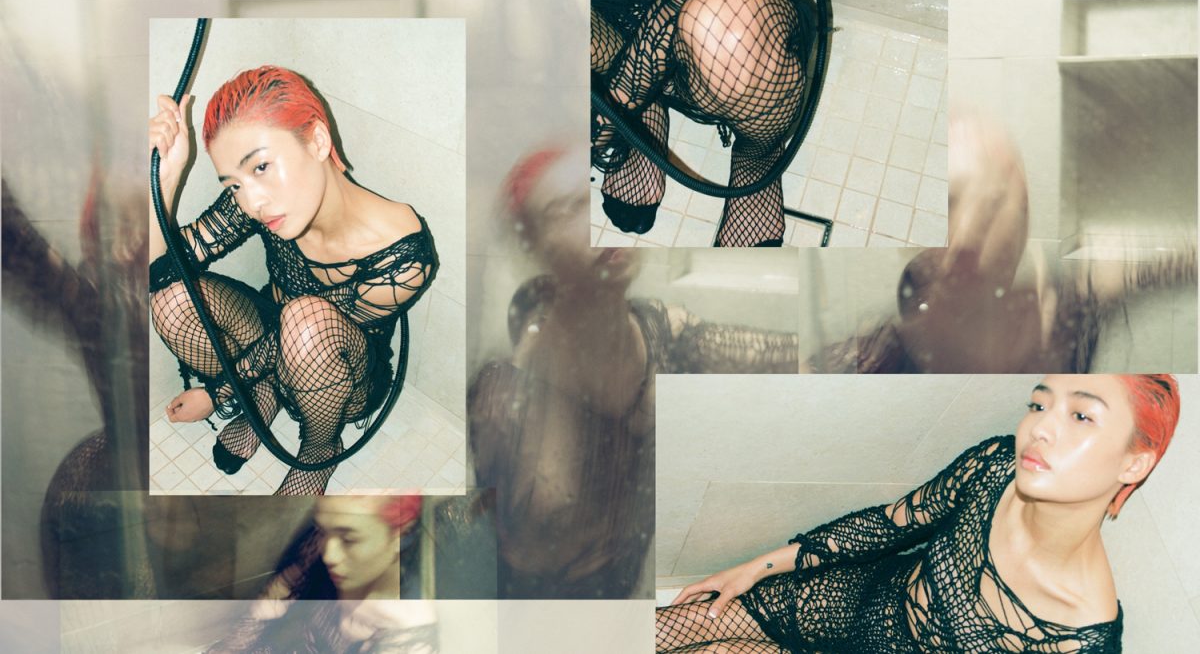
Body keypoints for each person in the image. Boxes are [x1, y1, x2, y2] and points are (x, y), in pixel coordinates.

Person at [469, 144, 802, 598]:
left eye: (590, 194)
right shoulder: (503, 395)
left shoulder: (663, 330)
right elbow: (507, 534)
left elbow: (795, 357)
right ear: (536, 245)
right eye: (565, 209)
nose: (594, 225)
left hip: (621, 585)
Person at [656, 374, 1178, 653]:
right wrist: (756, 567)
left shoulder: (1080, 642)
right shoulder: (997, 465)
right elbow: (889, 525)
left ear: (1134, 462)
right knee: (657, 631)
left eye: (1081, 415)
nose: (1039, 428)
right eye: (1039, 404)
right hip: (850, 602)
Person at [148, 66, 438, 495]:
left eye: (261, 166)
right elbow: (158, 273)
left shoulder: (405, 255)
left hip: (342, 375)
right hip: (272, 335)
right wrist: (165, 181)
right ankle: (261, 396)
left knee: (306, 324)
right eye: (234, 185)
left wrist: (217, 392)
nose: (253, 200)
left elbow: (308, 332)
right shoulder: (257, 201)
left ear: (317, 141)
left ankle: (320, 450)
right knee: (172, 301)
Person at [812, 111, 1196, 373]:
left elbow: (1171, 259)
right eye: (950, 204)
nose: (965, 235)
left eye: (993, 202)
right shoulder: (876, 354)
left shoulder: (1067, 305)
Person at [592, 0, 819, 246]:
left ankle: (756, 159)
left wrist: (613, 109)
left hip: (731, 22)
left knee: (725, 18)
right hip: (615, 15)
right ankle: (644, 111)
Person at [206, 495, 437, 653]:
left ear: (399, 535)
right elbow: (274, 597)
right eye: (322, 530)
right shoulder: (325, 547)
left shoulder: (407, 638)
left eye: (349, 539)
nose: (328, 554)